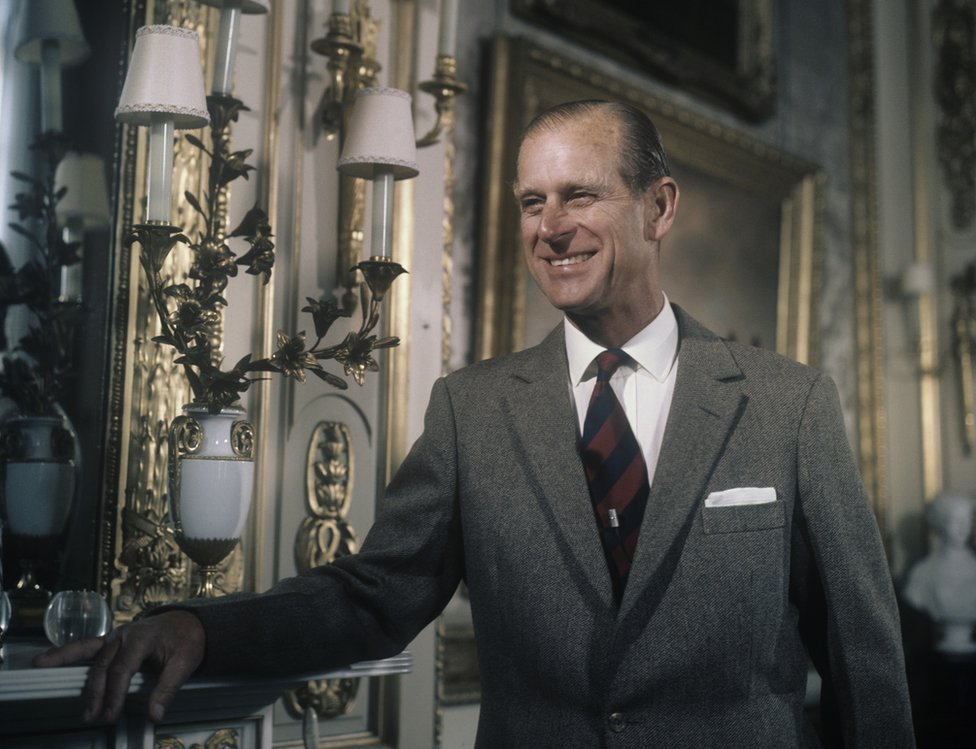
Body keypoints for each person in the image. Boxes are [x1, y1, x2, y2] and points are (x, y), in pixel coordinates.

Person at [36, 100, 915, 747]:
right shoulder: (473, 411)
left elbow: (865, 668)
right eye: (532, 202)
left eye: (580, 195)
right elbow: (373, 597)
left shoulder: (788, 404)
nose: (552, 227)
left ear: (659, 207)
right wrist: (201, 626)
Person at [903, 491, 976, 653]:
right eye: (956, 520)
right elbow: (914, 599)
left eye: (967, 520)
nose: (963, 526)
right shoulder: (923, 573)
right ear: (942, 523)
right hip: (937, 659)